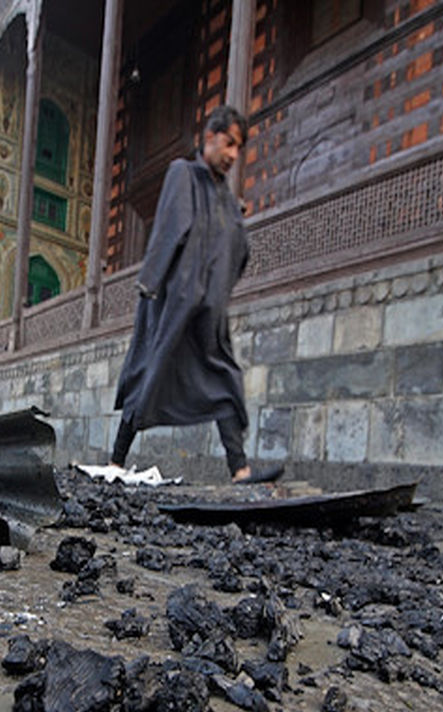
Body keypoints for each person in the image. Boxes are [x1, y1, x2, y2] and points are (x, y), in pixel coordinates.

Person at [110, 105, 283, 484]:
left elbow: (236, 249)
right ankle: (116, 462)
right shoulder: (183, 174)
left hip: (209, 308)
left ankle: (239, 469)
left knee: (222, 381)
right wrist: (150, 283)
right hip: (175, 301)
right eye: (229, 144)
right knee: (149, 372)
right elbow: (170, 227)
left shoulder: (225, 196)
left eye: (239, 147)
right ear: (210, 138)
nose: (234, 155)